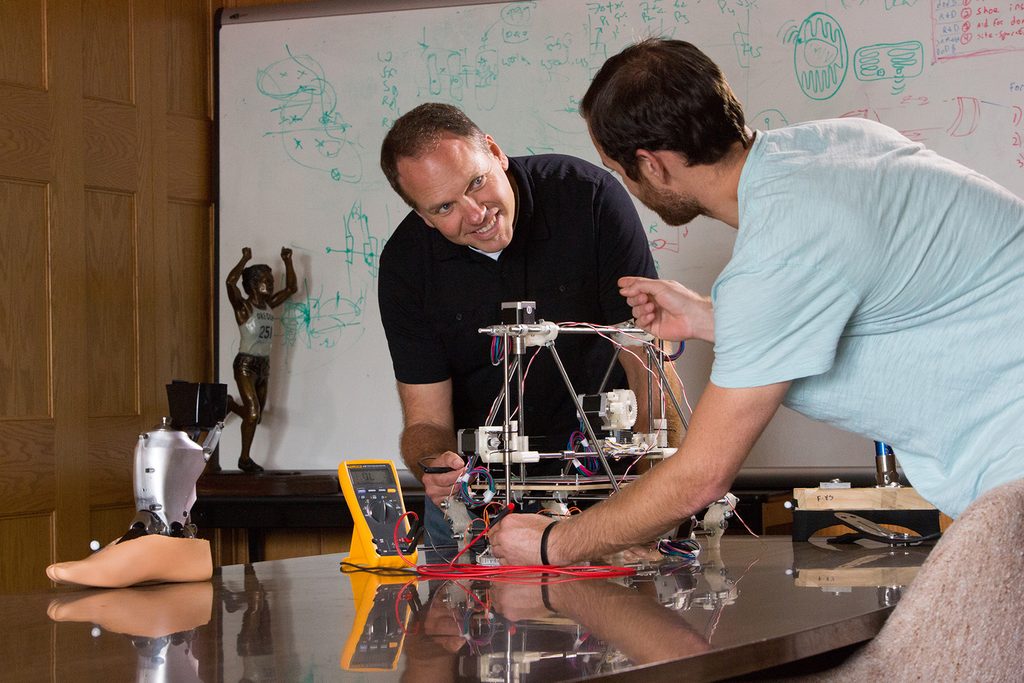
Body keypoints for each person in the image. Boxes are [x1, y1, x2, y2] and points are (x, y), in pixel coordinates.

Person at [489, 37, 1024, 565]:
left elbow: (701, 476)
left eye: (618, 168)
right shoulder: (840, 143)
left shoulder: (779, 250)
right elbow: (894, 304)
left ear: (651, 165)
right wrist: (716, 320)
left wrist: (551, 542)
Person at [377, 103, 682, 545]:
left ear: (496, 152)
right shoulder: (406, 264)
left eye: (477, 182)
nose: (476, 213)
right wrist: (435, 464)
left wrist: (660, 488)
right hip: (480, 504)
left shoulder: (588, 198)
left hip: (605, 491)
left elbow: (646, 360)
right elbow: (425, 419)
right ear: (424, 217)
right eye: (445, 207)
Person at [222, 246, 297, 473]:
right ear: (254, 284)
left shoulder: (268, 306)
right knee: (253, 413)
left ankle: (230, 405)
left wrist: (288, 261)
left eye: (271, 280)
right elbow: (229, 283)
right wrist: (244, 258)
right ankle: (244, 459)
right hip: (246, 364)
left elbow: (292, 288)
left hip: (264, 365)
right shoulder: (244, 307)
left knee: (257, 417)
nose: (271, 284)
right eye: (266, 280)